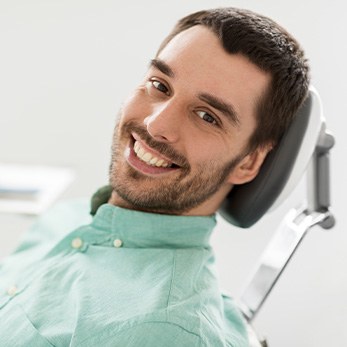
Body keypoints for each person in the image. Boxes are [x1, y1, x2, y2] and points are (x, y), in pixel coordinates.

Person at [0, 7, 309, 347]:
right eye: (160, 85)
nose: (156, 125)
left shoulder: (161, 330)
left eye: (207, 116)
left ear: (249, 162)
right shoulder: (66, 218)